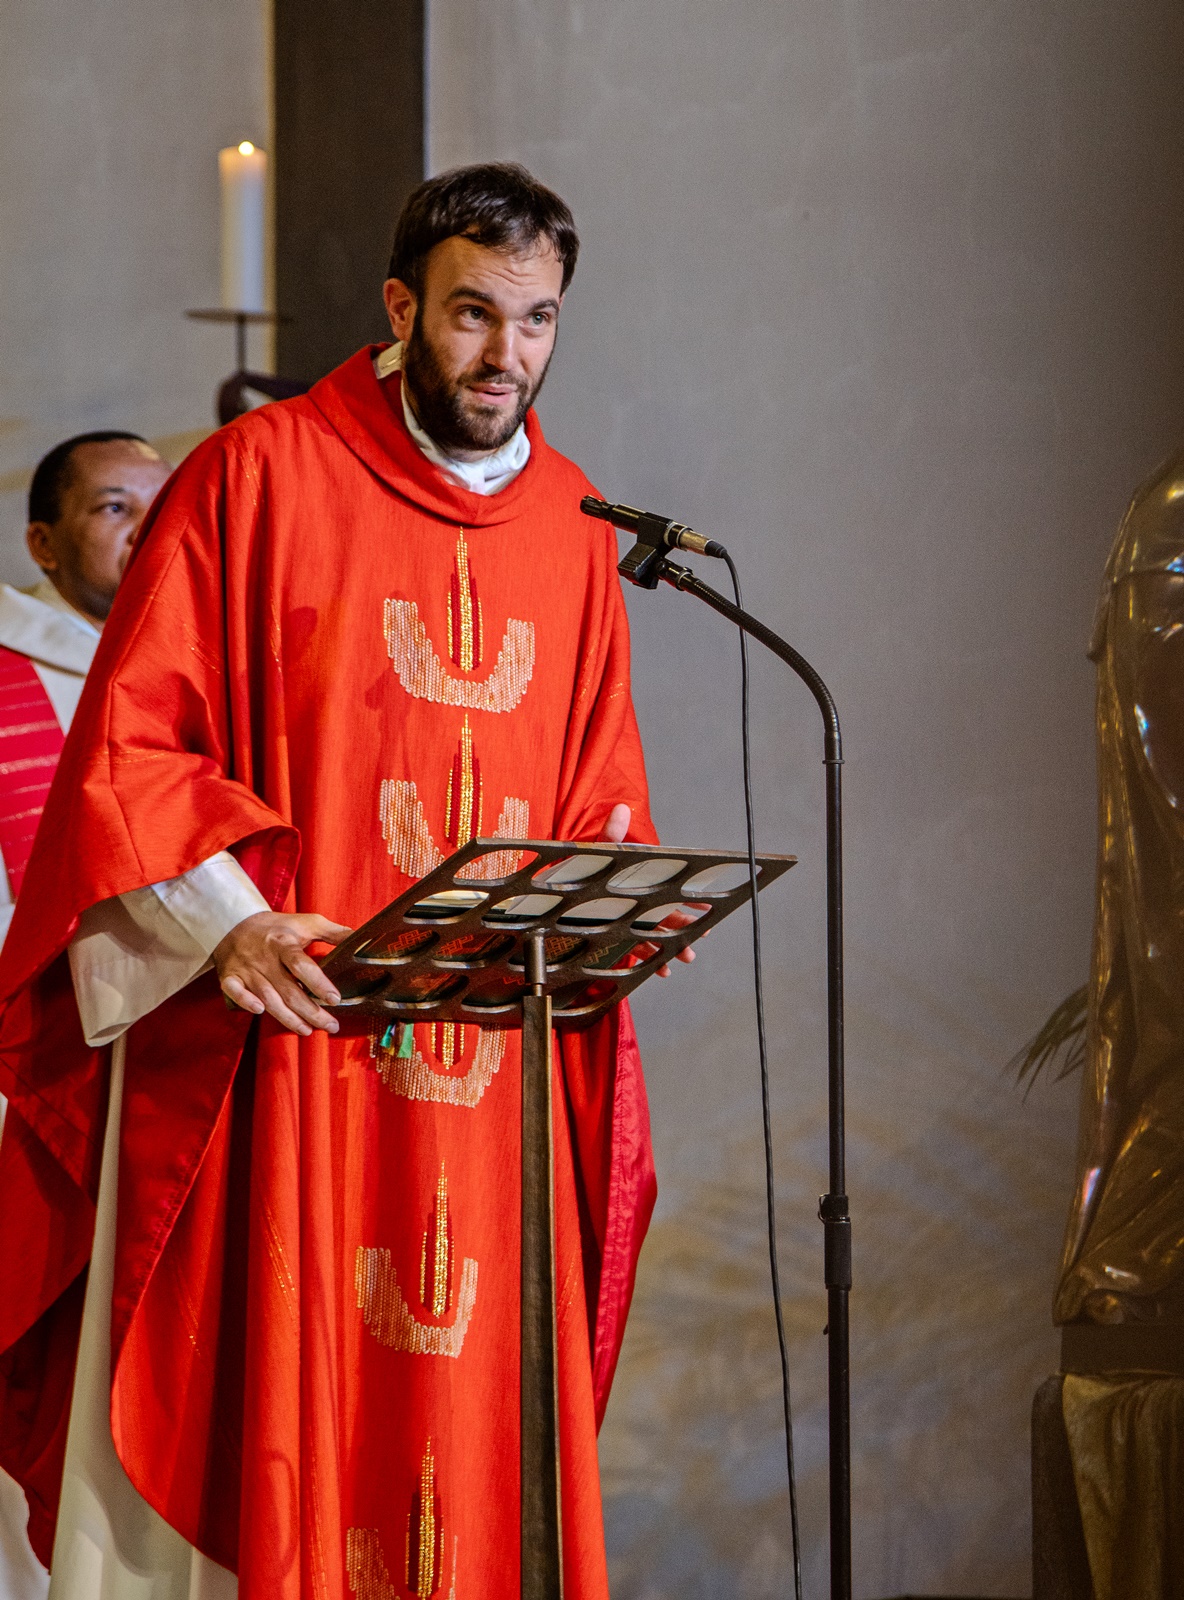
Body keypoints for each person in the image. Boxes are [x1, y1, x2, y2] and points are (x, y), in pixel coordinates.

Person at [0, 165, 674, 1599]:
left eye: (538, 322)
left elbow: (597, 787)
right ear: (401, 306)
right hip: (303, 1051)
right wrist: (228, 927)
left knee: (470, 1456)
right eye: (474, 316)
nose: (507, 358)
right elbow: (131, 746)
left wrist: (622, 905)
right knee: (288, 1431)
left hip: (488, 1087)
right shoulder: (257, 478)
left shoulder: (573, 521)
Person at [0, 431, 169, 1597]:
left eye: (165, 506)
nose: (148, 528)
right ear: (45, 544)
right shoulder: (13, 674)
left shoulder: (200, 676)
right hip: (25, 1090)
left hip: (159, 1095)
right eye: (117, 507)